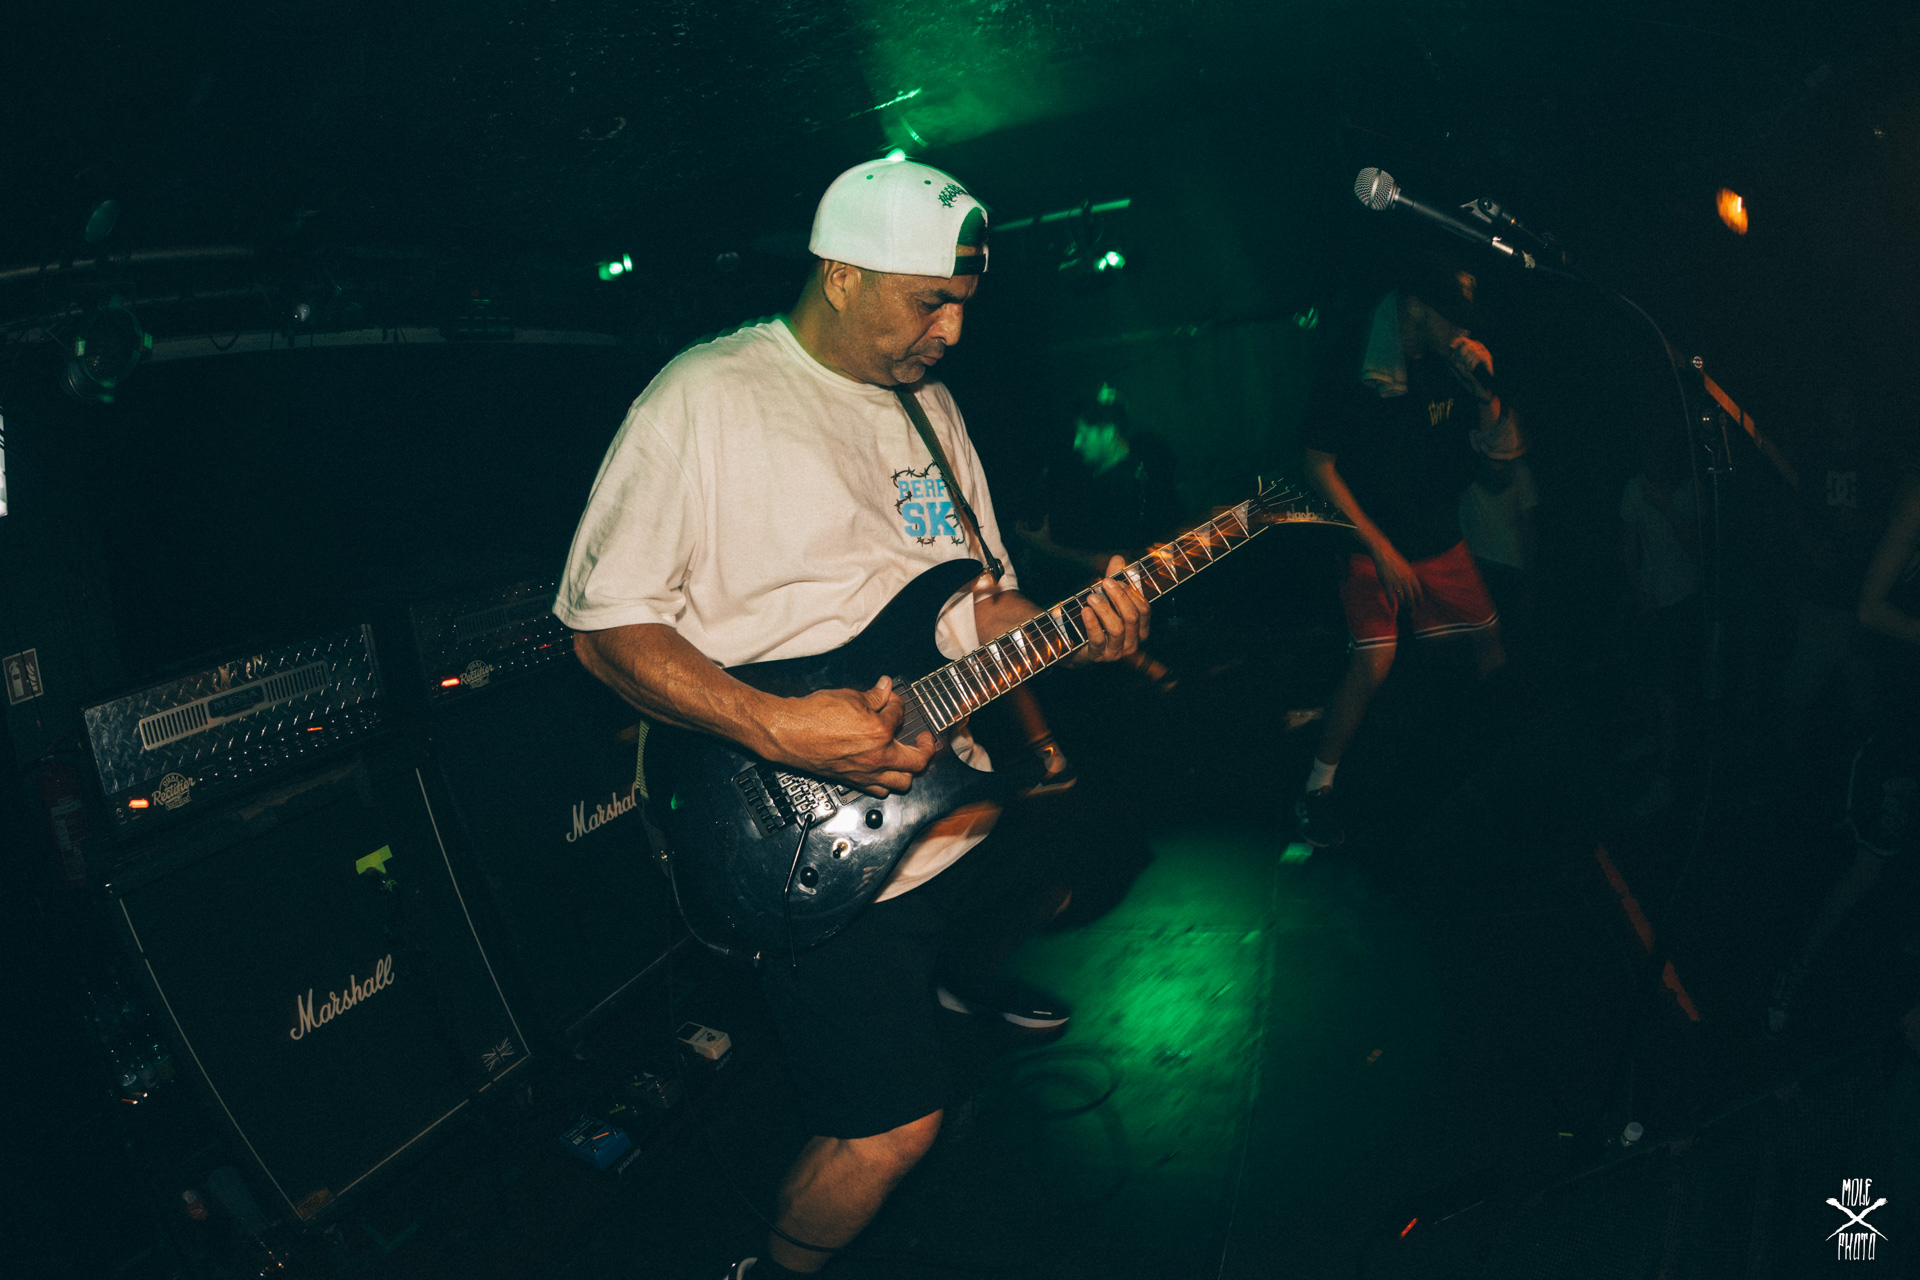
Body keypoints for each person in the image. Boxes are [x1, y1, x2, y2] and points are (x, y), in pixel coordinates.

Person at [550, 158, 1149, 1280]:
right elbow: (603, 628)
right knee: (890, 1132)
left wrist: (1073, 625)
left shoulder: (932, 408)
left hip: (949, 805)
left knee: (1093, 852)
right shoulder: (705, 397)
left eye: (965, 302)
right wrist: (772, 726)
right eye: (931, 301)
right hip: (811, 839)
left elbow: (973, 602)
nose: (954, 329)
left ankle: (964, 976)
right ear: (840, 275)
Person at [1294, 259, 1521, 847]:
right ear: (1415, 306)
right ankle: (1315, 790)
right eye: (1453, 316)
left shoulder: (1455, 364)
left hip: (1436, 535)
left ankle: (1502, 767)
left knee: (1489, 639)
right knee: (1374, 661)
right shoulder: (1351, 359)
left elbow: (1500, 476)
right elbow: (1316, 466)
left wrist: (1486, 397)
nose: (1463, 330)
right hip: (1367, 537)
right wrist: (1380, 549)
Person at [1765, 457, 1920, 1038]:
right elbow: (1869, 606)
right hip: (1906, 718)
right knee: (1868, 865)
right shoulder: (1917, 498)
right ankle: (1797, 965)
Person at [1618, 431, 1703, 816]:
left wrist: (1667, 507)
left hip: (1683, 600)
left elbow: (1699, 548)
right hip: (1649, 600)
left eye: (1659, 453)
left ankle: (1666, 778)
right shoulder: (1634, 488)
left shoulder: (1690, 490)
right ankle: (1653, 740)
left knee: (1671, 688)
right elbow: (1628, 547)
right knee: (1647, 678)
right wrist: (1638, 592)